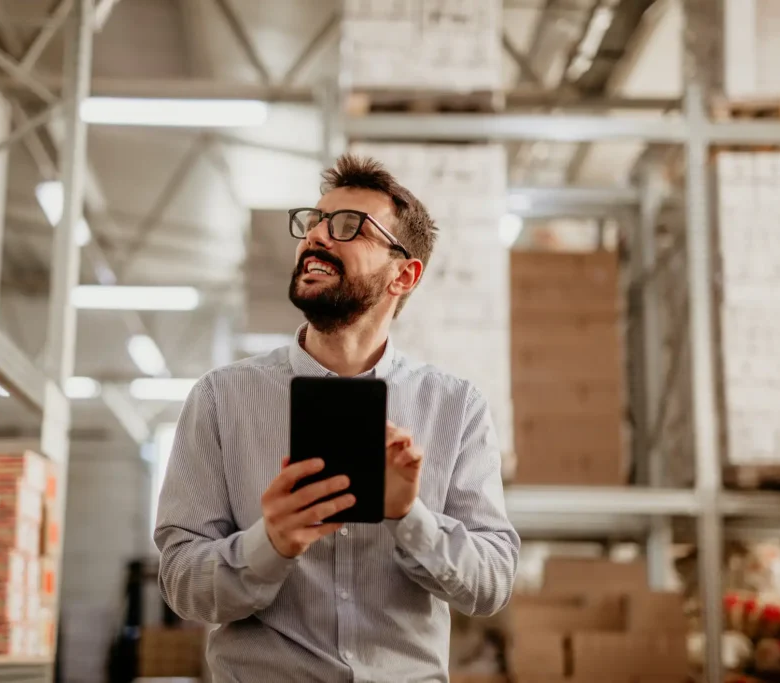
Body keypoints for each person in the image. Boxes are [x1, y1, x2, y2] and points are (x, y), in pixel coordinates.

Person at [154, 153, 519, 683]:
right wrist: (270, 542)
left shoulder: (456, 407)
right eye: (314, 222)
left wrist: (407, 516)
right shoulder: (219, 399)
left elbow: (492, 583)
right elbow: (182, 583)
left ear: (404, 274)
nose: (317, 237)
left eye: (350, 226)